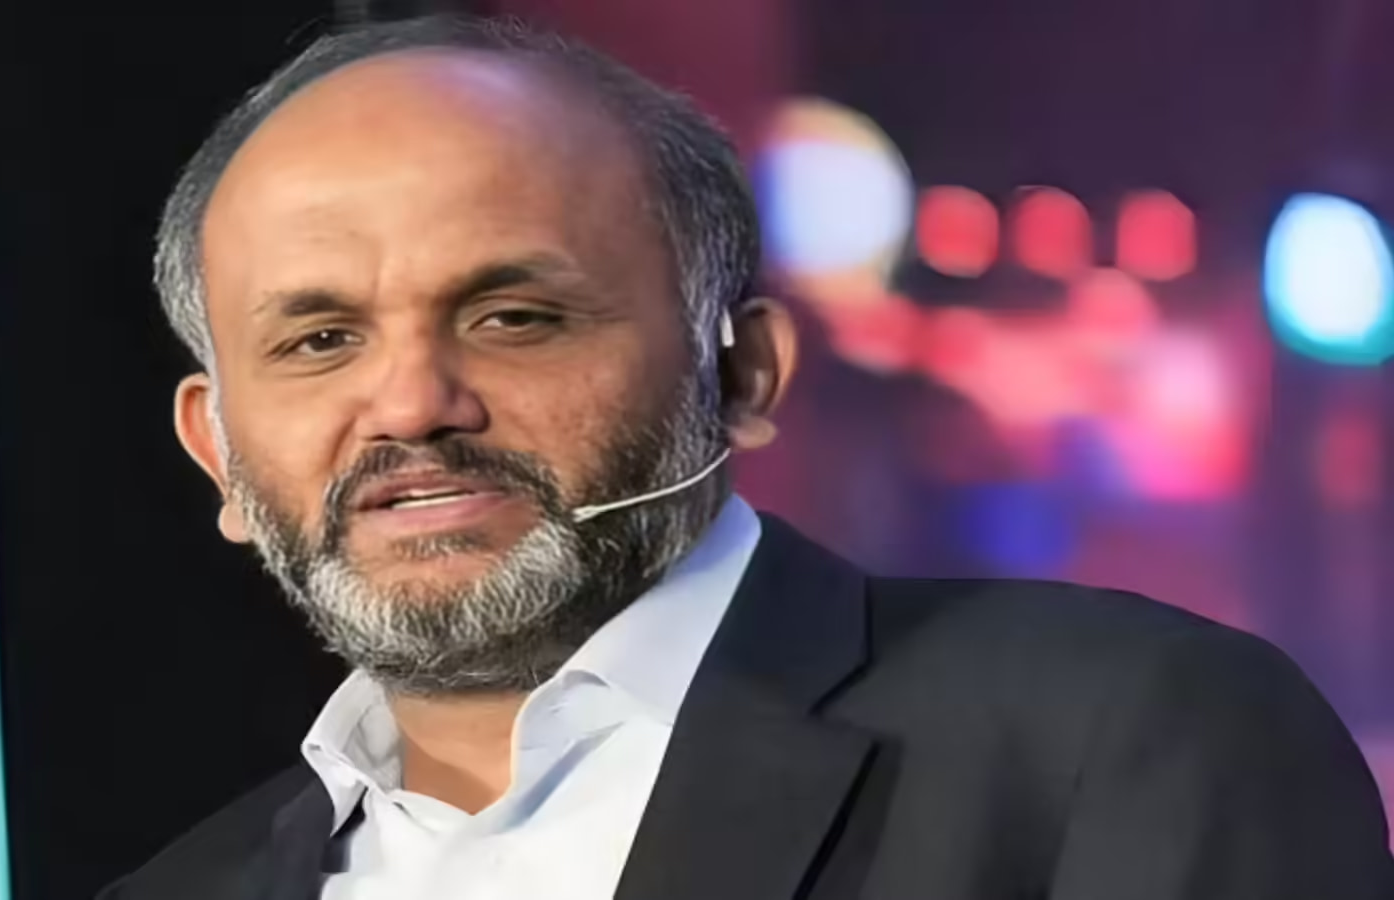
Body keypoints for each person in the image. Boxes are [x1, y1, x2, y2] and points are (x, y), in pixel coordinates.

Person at [100, 14, 1393, 900]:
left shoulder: (1126, 741)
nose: (412, 405)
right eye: (320, 340)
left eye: (513, 317)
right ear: (218, 450)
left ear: (743, 373)